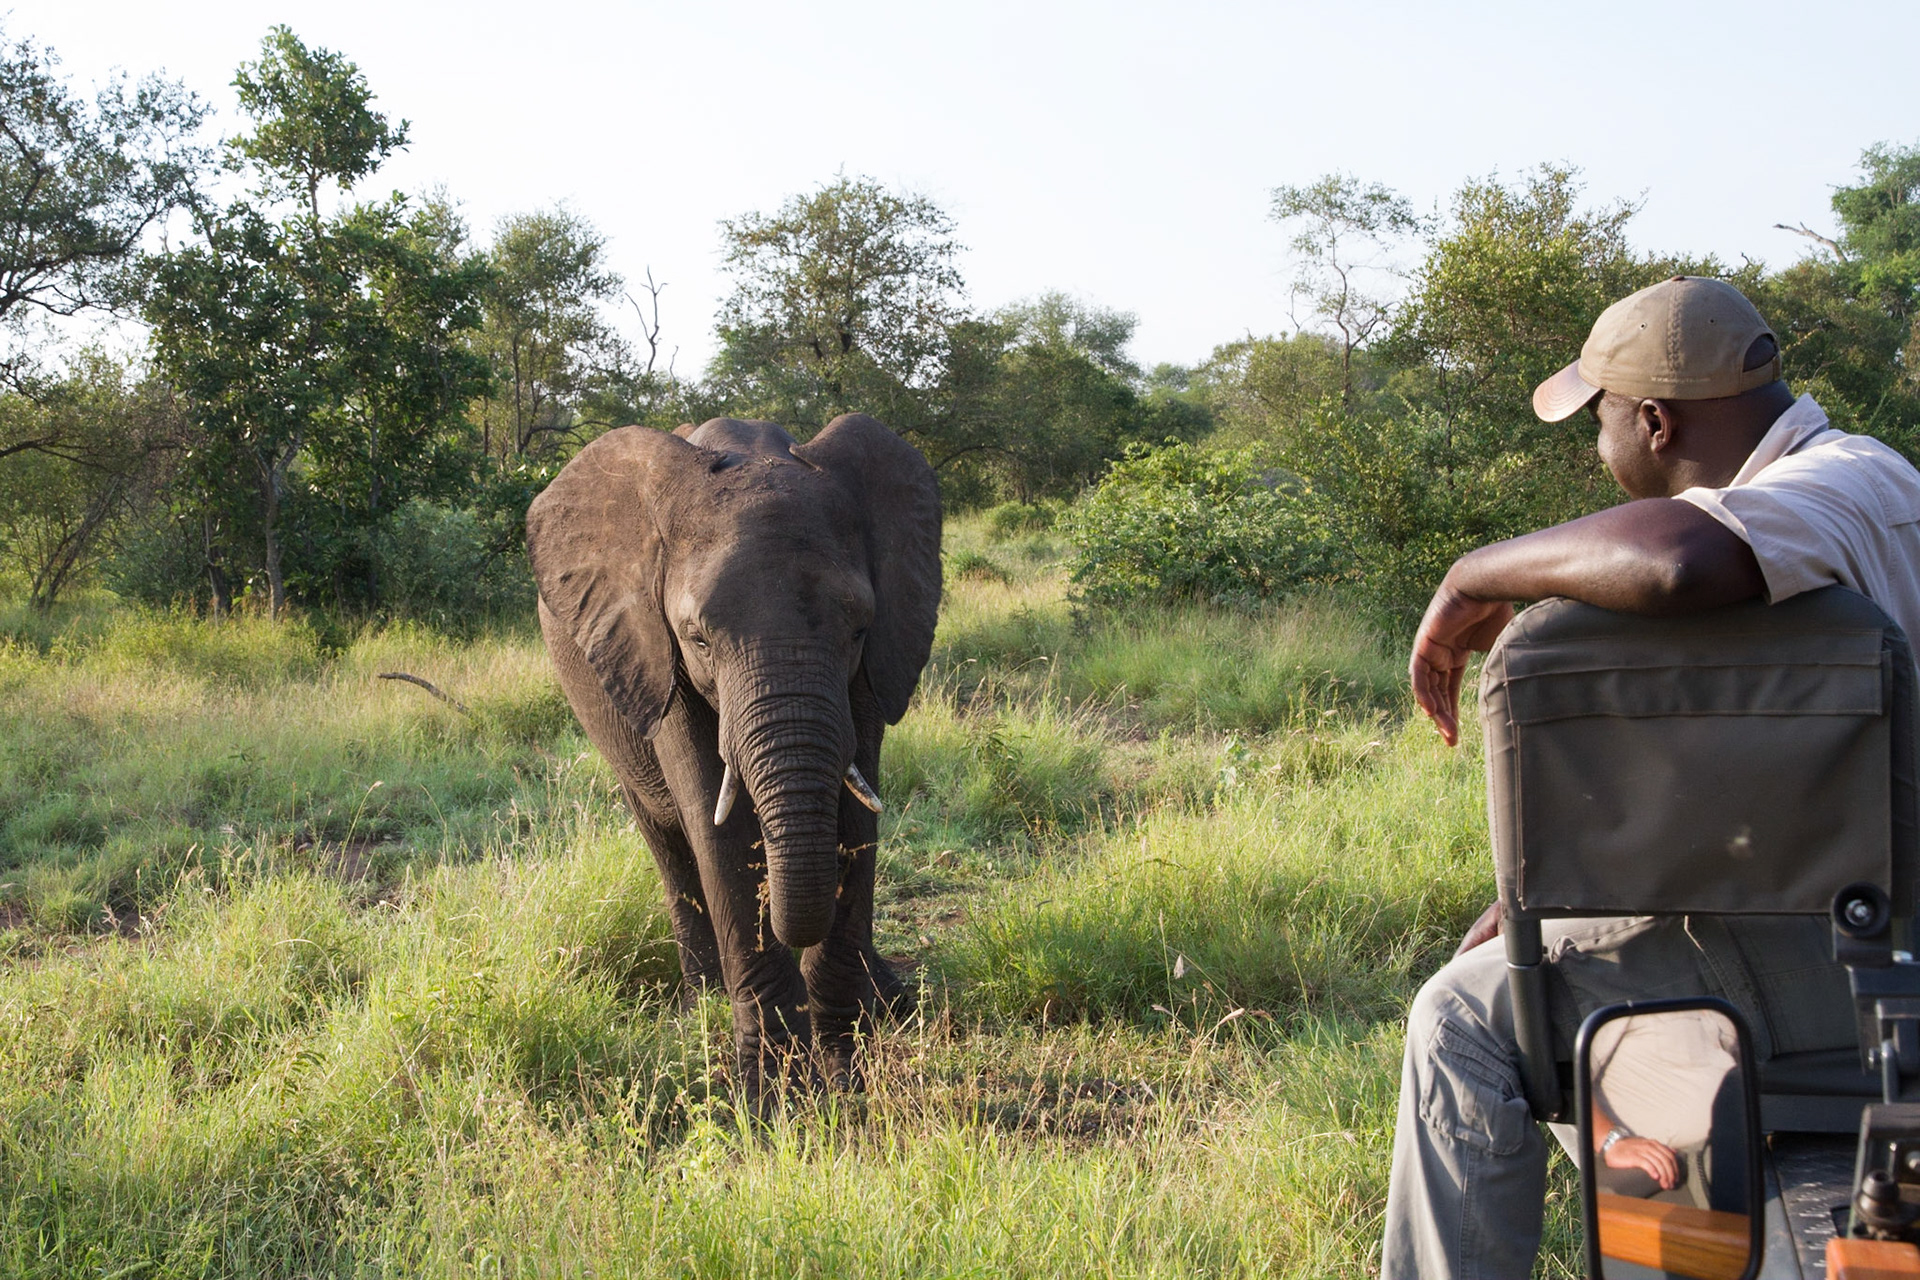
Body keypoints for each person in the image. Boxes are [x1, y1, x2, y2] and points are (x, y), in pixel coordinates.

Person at [1383, 275, 1920, 1278]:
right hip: (1858, 937)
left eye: (1600, 417)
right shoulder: (1860, 483)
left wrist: (1472, 573)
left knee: (1460, 1015)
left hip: (1865, 964)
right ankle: (1686, 1228)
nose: (1597, 444)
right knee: (1540, 959)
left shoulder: (1832, 488)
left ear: (1655, 420)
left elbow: (1677, 559)